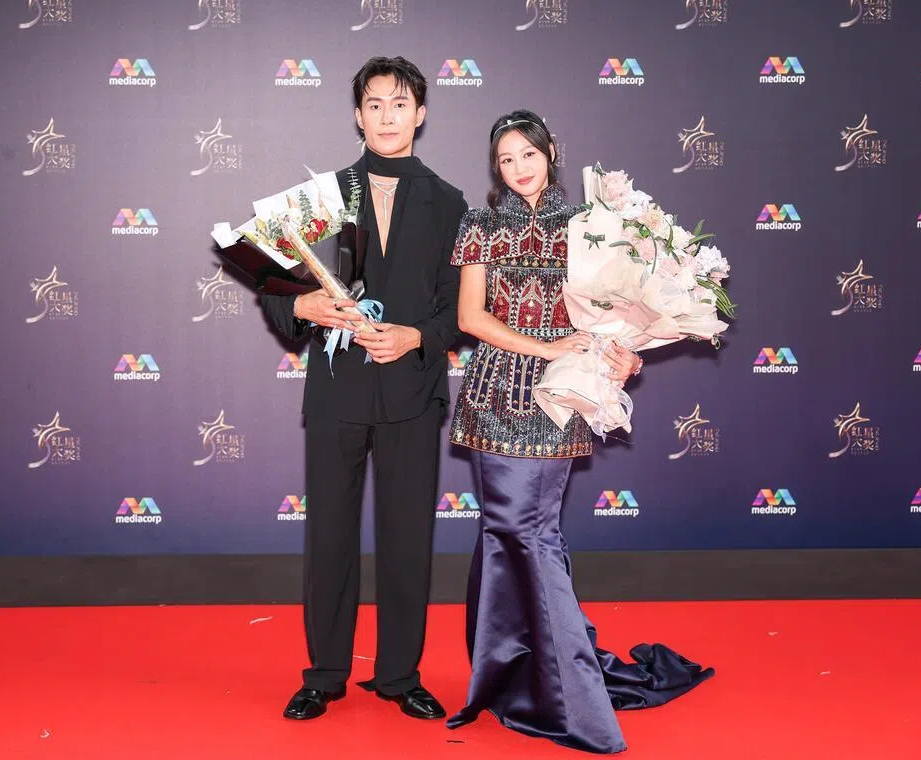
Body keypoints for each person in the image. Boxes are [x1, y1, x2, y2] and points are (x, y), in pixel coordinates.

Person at [445, 110, 714, 753]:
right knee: (503, 531)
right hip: (494, 393)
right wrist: (544, 345)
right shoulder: (480, 225)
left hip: (560, 397)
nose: (519, 167)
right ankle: (515, 675)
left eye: (528, 154)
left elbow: (622, 311)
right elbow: (470, 318)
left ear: (551, 151)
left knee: (531, 532)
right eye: (506, 159)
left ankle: (563, 689)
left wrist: (628, 351)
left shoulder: (591, 227)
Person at [259, 56, 468, 722]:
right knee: (330, 537)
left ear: (421, 113)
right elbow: (275, 288)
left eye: (399, 104)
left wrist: (414, 338)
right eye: (374, 104)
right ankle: (323, 674)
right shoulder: (321, 196)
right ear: (357, 114)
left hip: (411, 390)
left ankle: (401, 674)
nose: (386, 116)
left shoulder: (449, 201)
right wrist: (304, 310)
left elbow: (457, 311)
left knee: (409, 538)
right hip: (335, 392)